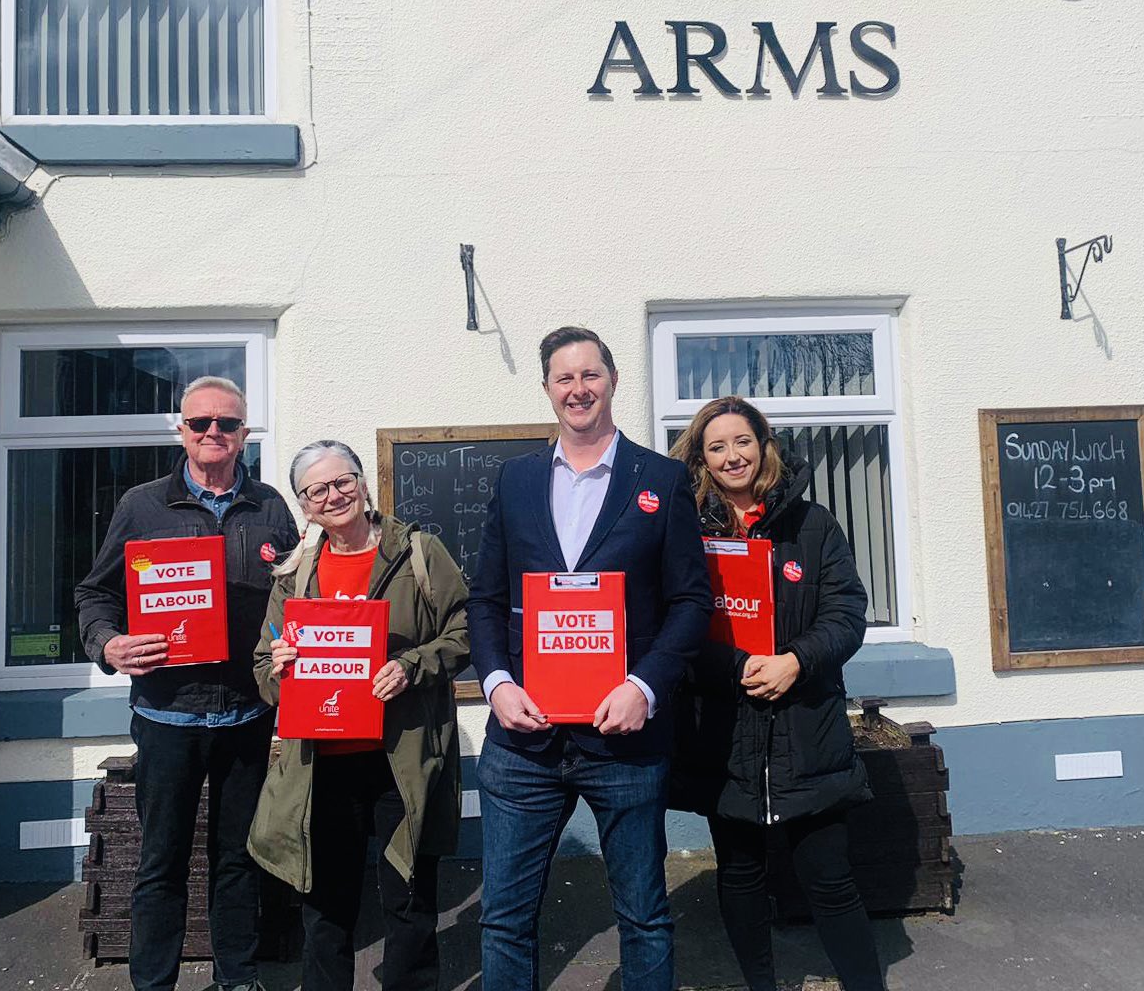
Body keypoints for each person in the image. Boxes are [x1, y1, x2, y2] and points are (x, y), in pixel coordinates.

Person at [467, 325, 712, 991]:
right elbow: (484, 599)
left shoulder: (659, 479)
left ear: (611, 380)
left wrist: (644, 685)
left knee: (642, 917)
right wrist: (493, 684)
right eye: (563, 378)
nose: (578, 389)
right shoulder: (515, 480)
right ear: (547, 389)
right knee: (505, 922)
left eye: (589, 375)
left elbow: (691, 602)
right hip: (524, 743)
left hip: (625, 743)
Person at [75, 376, 300, 991]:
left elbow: (296, 599)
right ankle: (154, 984)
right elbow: (95, 592)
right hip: (167, 717)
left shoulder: (272, 507)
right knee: (161, 863)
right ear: (181, 430)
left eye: (226, 424)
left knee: (236, 862)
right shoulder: (142, 505)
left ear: (244, 434)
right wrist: (109, 644)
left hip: (247, 717)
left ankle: (237, 980)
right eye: (200, 423)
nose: (212, 434)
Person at [668, 395, 885, 991]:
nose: (731, 455)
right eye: (716, 447)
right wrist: (734, 665)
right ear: (702, 459)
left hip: (806, 728)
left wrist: (796, 660)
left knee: (830, 879)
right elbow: (676, 621)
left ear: (764, 446)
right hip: (726, 733)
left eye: (742, 441)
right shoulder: (688, 530)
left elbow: (847, 613)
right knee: (739, 875)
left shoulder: (812, 524)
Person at [247, 440, 469, 991]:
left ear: (363, 483)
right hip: (322, 767)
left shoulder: (418, 551)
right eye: (316, 489)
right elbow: (261, 669)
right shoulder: (297, 572)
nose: (333, 495)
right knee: (325, 910)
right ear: (304, 505)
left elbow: (466, 631)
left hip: (401, 760)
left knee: (409, 902)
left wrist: (411, 666)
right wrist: (278, 669)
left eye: (342, 481)